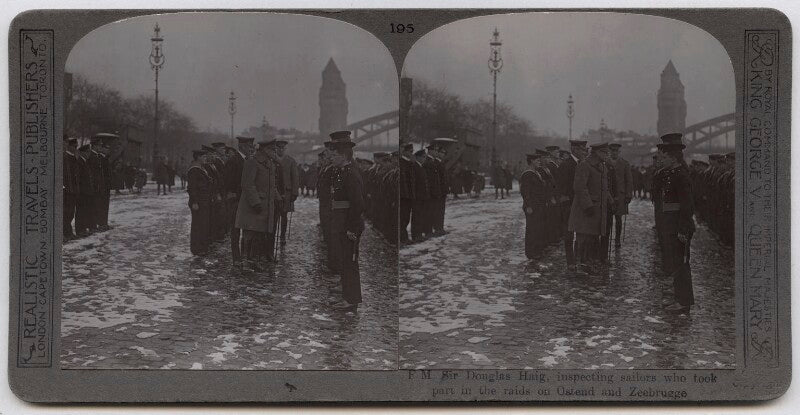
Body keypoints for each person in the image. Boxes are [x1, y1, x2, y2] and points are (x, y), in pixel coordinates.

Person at [657, 133, 696, 313]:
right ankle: (678, 298)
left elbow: (687, 205)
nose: (661, 160)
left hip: (679, 226)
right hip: (670, 224)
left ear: (672, 157)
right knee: (674, 261)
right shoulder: (671, 173)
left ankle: (683, 302)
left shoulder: (681, 175)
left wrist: (683, 228)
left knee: (681, 264)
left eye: (664, 157)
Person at [327, 131, 364, 312]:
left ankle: (351, 300)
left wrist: (352, 228)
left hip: (348, 225)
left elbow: (357, 204)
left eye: (334, 155)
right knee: (344, 260)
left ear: (343, 156)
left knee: (350, 262)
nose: (331, 158)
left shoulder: (350, 174)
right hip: (341, 222)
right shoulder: (342, 172)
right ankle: (347, 296)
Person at [568, 142, 613, 275]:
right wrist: (588, 205)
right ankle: (580, 264)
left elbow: (604, 188)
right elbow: (579, 187)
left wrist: (610, 201)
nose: (607, 155)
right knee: (583, 238)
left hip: (598, 210)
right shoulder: (585, 165)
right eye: (605, 152)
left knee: (593, 237)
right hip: (585, 210)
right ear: (597, 153)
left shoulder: (602, 167)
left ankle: (589, 262)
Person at [236, 139, 279, 272]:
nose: (275, 152)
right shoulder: (252, 162)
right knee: (249, 233)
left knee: (259, 234)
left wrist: (278, 198)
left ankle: (254, 260)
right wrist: (255, 202)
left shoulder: (269, 164)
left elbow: (271, 185)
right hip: (252, 206)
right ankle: (245, 262)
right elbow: (247, 184)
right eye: (273, 150)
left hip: (265, 206)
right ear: (265, 150)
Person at [556, 140, 587, 271]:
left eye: (584, 150)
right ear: (574, 149)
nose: (584, 152)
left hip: (580, 204)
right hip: (569, 203)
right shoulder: (566, 165)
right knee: (569, 233)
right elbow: (561, 186)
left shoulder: (583, 164)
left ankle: (579, 257)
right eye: (581, 150)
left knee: (581, 232)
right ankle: (570, 261)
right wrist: (566, 199)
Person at [226, 137, 252, 267]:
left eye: (251, 147)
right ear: (242, 146)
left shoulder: (248, 160)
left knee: (246, 229)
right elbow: (228, 181)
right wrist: (233, 194)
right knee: (235, 230)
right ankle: (236, 257)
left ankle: (244, 255)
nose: (250, 149)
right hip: (236, 200)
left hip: (245, 201)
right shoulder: (233, 160)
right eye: (248, 147)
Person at [520, 153, 546, 260]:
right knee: (532, 229)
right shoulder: (527, 174)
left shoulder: (536, 173)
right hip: (532, 206)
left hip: (538, 205)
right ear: (531, 161)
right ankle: (531, 252)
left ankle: (536, 250)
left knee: (537, 228)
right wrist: (528, 205)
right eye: (537, 160)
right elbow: (525, 192)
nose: (539, 162)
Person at [187, 149, 212, 256]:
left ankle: (202, 247)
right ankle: (197, 248)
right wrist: (195, 202)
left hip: (204, 201)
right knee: (197, 225)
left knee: (203, 224)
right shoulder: (194, 170)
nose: (206, 159)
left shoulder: (201, 169)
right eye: (204, 157)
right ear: (198, 157)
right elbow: (192, 188)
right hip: (198, 202)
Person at [609, 143, 633, 248]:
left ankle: (617, 239)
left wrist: (628, 195)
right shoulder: (605, 162)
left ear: (619, 152)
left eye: (616, 151)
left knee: (618, 218)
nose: (614, 153)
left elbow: (629, 180)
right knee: (607, 218)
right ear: (610, 151)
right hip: (608, 195)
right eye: (612, 151)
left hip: (621, 195)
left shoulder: (624, 164)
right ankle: (606, 237)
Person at [276, 140, 299, 245]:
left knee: (284, 215)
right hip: (275, 191)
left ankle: (282, 236)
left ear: (285, 149)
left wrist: (294, 192)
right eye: (278, 148)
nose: (280, 150)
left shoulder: (291, 161)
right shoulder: (272, 159)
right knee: (274, 214)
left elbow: (295, 178)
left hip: (287, 192)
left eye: (283, 148)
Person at [63, 136, 80, 240]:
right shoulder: (64, 157)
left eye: (76, 146)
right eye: (74, 146)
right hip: (66, 190)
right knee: (65, 213)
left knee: (70, 213)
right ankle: (65, 233)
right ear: (69, 146)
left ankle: (68, 233)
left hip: (73, 190)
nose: (75, 148)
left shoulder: (74, 158)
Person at [411, 148, 430, 242]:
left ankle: (419, 234)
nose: (424, 159)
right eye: (423, 157)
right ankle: (416, 235)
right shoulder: (415, 167)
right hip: (418, 196)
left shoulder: (421, 167)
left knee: (420, 215)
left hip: (422, 196)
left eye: (425, 157)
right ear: (418, 157)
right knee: (417, 216)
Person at [398, 142, 415, 244]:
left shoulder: (409, 163)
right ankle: (403, 237)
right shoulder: (402, 163)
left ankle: (404, 237)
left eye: (412, 151)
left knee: (406, 216)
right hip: (403, 195)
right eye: (410, 151)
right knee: (403, 217)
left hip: (408, 195)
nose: (411, 153)